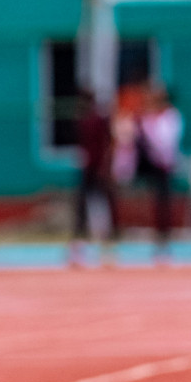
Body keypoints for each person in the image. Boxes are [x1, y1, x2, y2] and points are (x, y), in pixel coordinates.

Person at [69, 89, 120, 268]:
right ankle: (79, 251)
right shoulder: (82, 120)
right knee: (82, 209)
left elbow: (109, 144)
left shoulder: (99, 120)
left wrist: (106, 168)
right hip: (88, 169)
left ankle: (107, 251)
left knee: (103, 209)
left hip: (98, 170)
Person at [137, 85, 183, 262]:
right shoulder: (148, 118)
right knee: (155, 203)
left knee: (164, 203)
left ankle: (165, 241)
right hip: (152, 165)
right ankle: (158, 240)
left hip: (165, 165)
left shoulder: (171, 117)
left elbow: (167, 142)